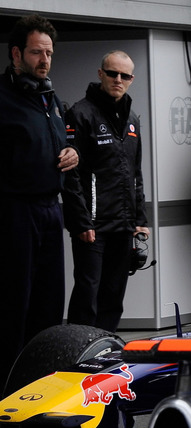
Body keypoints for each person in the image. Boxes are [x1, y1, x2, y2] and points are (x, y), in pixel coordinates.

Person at [0, 14, 79, 384]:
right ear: (16, 54)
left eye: (49, 52)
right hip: (15, 210)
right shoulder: (4, 98)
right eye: (36, 52)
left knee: (49, 305)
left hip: (51, 209)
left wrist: (72, 153)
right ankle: (7, 390)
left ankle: (41, 385)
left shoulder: (51, 99)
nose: (44, 60)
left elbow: (59, 144)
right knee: (15, 303)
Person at [62, 51, 148, 333]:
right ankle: (76, 351)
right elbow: (70, 176)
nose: (118, 80)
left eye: (125, 76)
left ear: (131, 79)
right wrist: (80, 222)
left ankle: (105, 351)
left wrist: (140, 218)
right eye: (112, 73)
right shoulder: (81, 113)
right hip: (92, 227)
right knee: (88, 293)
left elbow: (135, 172)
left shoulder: (133, 118)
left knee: (114, 294)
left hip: (123, 225)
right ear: (101, 74)